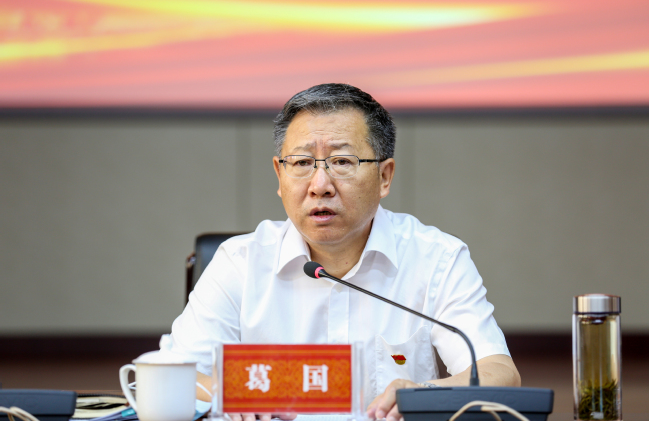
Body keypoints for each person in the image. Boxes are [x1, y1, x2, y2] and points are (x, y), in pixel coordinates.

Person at [166, 83, 521, 421]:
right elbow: (173, 374)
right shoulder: (239, 263)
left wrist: (423, 393)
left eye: (342, 161)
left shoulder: (436, 258)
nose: (320, 185)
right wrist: (231, 392)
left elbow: (499, 372)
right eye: (302, 163)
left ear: (384, 176)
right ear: (279, 175)